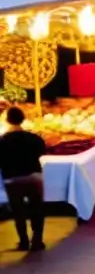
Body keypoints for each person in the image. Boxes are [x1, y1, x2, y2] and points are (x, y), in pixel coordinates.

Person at [0, 106, 47, 251]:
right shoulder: (34, 138)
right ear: (23, 119)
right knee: (37, 208)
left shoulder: (2, 141)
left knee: (18, 210)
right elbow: (42, 151)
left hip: (12, 179)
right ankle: (38, 240)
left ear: (7, 120)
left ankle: (24, 241)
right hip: (34, 176)